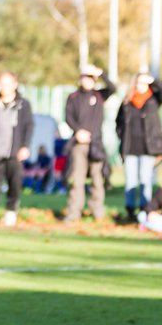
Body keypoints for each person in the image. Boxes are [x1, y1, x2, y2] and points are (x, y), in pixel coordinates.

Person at [116, 72, 162, 223]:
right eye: (139, 83)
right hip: (130, 148)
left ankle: (145, 209)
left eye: (144, 83)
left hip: (148, 148)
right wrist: (122, 136)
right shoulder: (127, 101)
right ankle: (130, 211)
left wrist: (153, 80)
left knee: (145, 180)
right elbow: (118, 122)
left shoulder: (153, 99)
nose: (141, 86)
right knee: (131, 181)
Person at [63, 64, 116, 223]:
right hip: (79, 144)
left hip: (96, 145)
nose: (88, 81)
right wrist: (78, 131)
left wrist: (100, 73)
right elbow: (68, 117)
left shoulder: (100, 96)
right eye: (85, 77)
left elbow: (113, 87)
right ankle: (74, 212)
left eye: (91, 78)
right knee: (77, 180)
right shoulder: (73, 97)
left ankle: (97, 212)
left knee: (97, 180)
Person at [0, 71, 33, 226]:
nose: (4, 87)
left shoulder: (23, 104)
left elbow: (28, 126)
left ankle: (11, 211)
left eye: (7, 84)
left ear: (15, 85)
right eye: (2, 84)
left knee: (15, 182)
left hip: (14, 151)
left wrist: (24, 146)